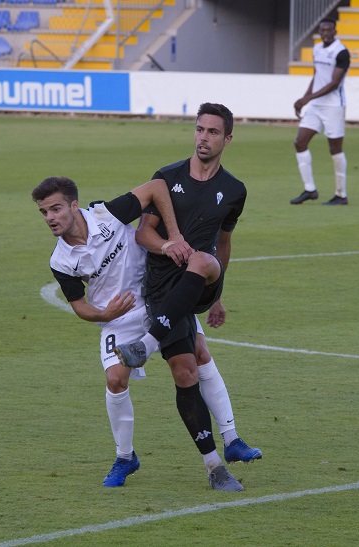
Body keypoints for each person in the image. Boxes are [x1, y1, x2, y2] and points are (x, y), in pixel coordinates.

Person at [33, 175, 257, 491]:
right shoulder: (60, 259)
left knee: (196, 356)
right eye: (44, 212)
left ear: (74, 205)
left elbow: (157, 187)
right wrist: (104, 314)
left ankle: (231, 438)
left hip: (158, 299)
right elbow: (79, 305)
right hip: (118, 320)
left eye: (55, 209)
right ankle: (125, 457)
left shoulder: (107, 214)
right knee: (114, 380)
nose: (50, 218)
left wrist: (174, 236)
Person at [113, 103, 262, 490]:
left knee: (201, 259)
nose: (203, 138)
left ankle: (146, 342)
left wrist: (216, 296)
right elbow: (143, 233)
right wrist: (167, 247)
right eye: (199, 130)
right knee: (186, 371)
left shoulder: (234, 190)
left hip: (204, 279)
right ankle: (215, 466)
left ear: (227, 139)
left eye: (213, 132)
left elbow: (224, 243)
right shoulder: (167, 178)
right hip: (165, 289)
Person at [289, 17, 351, 206]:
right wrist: (304, 99)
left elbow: (333, 84)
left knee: (335, 149)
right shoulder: (317, 49)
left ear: (335, 31)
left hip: (333, 106)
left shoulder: (341, 52)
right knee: (300, 142)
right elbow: (317, 77)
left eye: (328, 30)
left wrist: (307, 99)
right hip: (316, 105)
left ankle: (341, 194)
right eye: (322, 30)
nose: (325, 33)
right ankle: (310, 189)